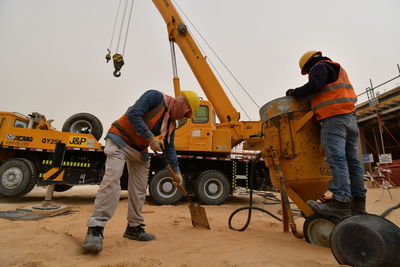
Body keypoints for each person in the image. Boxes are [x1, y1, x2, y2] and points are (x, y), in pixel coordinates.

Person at [81, 89, 200, 253]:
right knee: (112, 181)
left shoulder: (171, 125)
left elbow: (170, 149)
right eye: (186, 114)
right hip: (119, 140)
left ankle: (133, 228)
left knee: (139, 188)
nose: (184, 118)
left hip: (139, 149)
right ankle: (95, 229)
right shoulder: (154, 97)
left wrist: (177, 173)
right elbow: (134, 115)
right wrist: (151, 138)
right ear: (182, 104)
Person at [286, 51, 367, 219]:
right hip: (349, 119)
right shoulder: (338, 70)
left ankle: (341, 202)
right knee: (352, 161)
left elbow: (315, 85)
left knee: (336, 159)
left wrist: (295, 92)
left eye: (307, 72)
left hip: (333, 119)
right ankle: (358, 203)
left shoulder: (320, 67)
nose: (308, 75)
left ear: (308, 65)